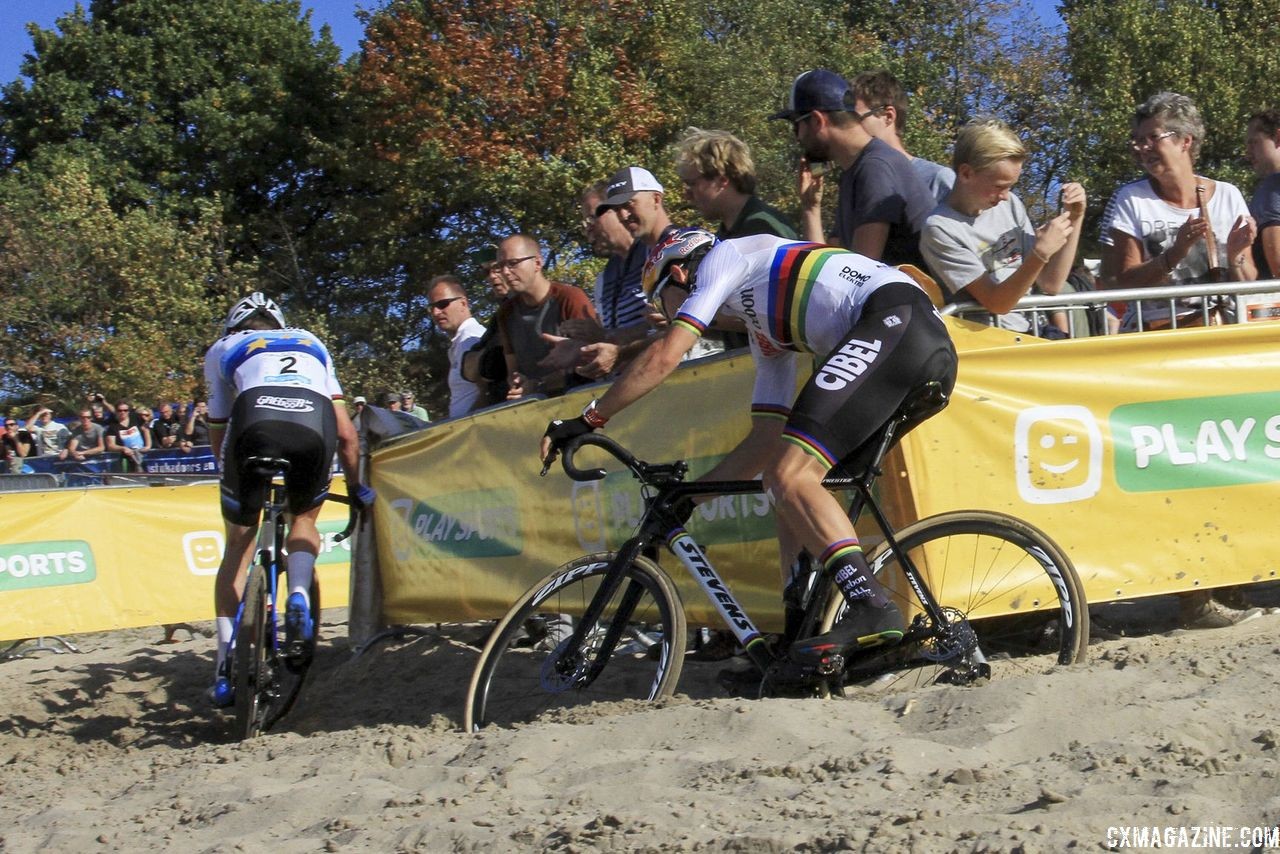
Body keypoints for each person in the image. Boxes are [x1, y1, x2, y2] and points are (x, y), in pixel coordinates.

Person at [541, 229, 957, 670]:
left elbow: (667, 355)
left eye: (661, 298)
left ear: (680, 274)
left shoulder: (728, 257)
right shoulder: (767, 334)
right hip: (907, 339)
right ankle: (799, 632)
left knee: (789, 476)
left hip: (896, 323)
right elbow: (764, 439)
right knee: (787, 485)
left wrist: (588, 419)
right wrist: (691, 499)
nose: (661, 312)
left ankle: (871, 605)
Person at [203, 292, 371, 706]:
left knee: (237, 552)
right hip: (312, 426)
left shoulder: (224, 348)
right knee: (304, 522)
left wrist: (231, 472)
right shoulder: (312, 342)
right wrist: (355, 488)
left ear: (233, 327)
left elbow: (218, 426)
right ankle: (298, 590)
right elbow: (347, 435)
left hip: (254, 426)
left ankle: (226, 665)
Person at [1099, 91, 1256, 331]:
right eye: (1138, 140)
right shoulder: (1131, 199)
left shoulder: (1228, 195)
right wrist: (1176, 253)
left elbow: (1248, 282)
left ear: (1185, 141)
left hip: (1220, 334)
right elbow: (1122, 282)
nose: (1143, 147)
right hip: (1156, 337)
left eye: (1153, 137)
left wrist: (1235, 257)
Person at [919, 118, 1086, 335]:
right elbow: (997, 303)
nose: (1006, 196)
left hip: (1033, 331)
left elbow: (1051, 284)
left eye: (1010, 187)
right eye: (999, 186)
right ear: (966, 173)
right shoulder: (939, 229)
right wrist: (1040, 253)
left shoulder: (1010, 204)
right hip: (993, 344)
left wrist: (1075, 217)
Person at [776, 69, 934, 270]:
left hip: (919, 300)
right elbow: (827, 270)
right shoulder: (856, 170)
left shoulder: (875, 167)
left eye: (795, 125)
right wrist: (810, 208)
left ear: (817, 120)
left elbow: (860, 274)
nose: (797, 137)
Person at [492, 233, 598, 399]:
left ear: (537, 263)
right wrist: (517, 383)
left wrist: (539, 384)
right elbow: (512, 369)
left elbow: (592, 361)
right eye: (501, 266)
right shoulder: (506, 313)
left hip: (580, 399)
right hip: (533, 406)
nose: (505, 272)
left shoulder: (570, 298)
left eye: (513, 263)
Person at [848, 70, 955, 204]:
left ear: (888, 116)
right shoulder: (857, 185)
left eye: (855, 119)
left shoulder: (936, 180)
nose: (848, 129)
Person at [674, 128, 798, 240]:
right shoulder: (730, 232)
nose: (687, 195)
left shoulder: (763, 230)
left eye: (691, 184)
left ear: (722, 180)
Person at [427, 275, 486, 417]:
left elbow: (489, 391)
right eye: (432, 307)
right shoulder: (460, 342)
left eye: (442, 304)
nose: (436, 312)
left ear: (463, 304)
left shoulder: (470, 340)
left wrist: (465, 427)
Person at [1245, 108, 1280, 280]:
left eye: (1254, 143)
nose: (1248, 153)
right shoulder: (1270, 188)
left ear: (1278, 138)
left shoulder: (1273, 187)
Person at [105, 401, 152, 470]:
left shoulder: (135, 418)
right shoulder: (112, 427)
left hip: (142, 455)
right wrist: (123, 448)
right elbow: (110, 446)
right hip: (125, 459)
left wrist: (148, 446)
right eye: (120, 410)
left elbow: (146, 430)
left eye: (125, 410)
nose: (123, 412)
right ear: (116, 411)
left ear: (128, 411)